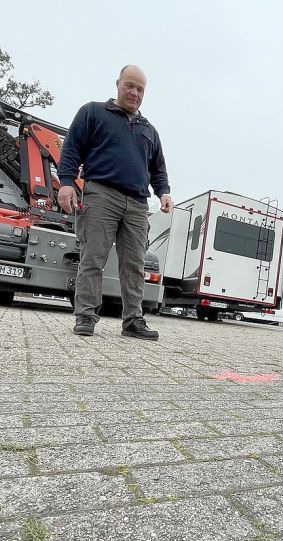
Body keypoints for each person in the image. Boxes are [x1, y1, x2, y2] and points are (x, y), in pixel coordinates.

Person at [57, 65, 174, 340]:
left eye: (140, 89)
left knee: (134, 264)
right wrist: (66, 182)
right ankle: (85, 315)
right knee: (93, 256)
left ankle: (133, 320)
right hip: (101, 194)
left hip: (137, 203)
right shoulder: (93, 112)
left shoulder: (149, 130)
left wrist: (164, 192)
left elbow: (158, 168)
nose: (134, 93)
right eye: (129, 86)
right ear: (118, 84)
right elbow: (71, 148)